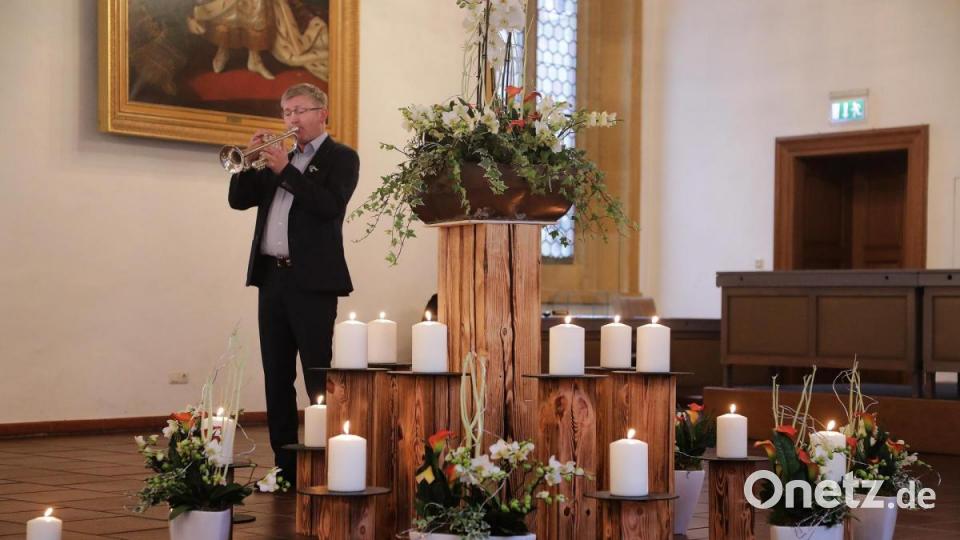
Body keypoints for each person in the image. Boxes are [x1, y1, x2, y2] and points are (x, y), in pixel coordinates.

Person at [228, 83, 359, 485]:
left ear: (322, 113)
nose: (292, 119)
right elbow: (238, 200)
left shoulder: (341, 157)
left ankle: (327, 460)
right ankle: (284, 466)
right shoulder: (276, 160)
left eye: (300, 110)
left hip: (313, 282)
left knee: (317, 374)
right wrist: (249, 162)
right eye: (286, 112)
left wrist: (285, 169)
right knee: (276, 374)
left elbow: (328, 206)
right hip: (272, 278)